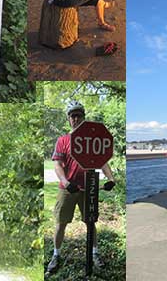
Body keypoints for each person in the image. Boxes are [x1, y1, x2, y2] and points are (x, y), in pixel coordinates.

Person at [47, 101, 117, 274]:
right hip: (68, 188)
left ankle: (95, 254)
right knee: (61, 222)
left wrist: (110, 178)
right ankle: (56, 254)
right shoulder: (63, 140)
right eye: (73, 115)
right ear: (69, 119)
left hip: (89, 189)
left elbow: (103, 162)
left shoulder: (91, 139)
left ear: (84, 117)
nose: (76, 118)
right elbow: (57, 165)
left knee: (91, 222)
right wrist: (66, 182)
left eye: (79, 115)